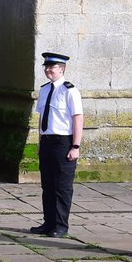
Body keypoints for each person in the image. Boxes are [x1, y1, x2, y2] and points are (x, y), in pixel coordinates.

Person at [30, 51, 83, 238]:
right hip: (47, 141)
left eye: (52, 67)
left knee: (62, 186)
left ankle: (60, 225)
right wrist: (39, 140)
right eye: (46, 67)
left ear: (62, 69)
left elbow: (77, 118)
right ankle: (48, 222)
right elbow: (42, 118)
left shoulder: (70, 91)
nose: (48, 70)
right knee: (48, 185)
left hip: (63, 142)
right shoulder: (44, 90)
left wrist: (75, 146)